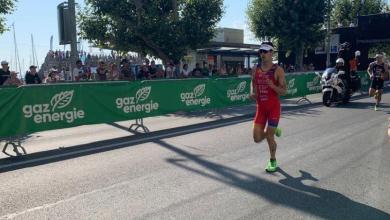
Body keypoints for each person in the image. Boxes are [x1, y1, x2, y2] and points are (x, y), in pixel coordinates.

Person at [250, 42, 287, 172]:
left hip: (273, 108)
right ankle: (274, 130)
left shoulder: (278, 70)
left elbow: (284, 91)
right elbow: (253, 82)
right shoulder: (255, 68)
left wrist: (273, 86)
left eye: (265, 51)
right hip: (260, 108)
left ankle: (272, 160)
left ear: (272, 53)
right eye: (261, 51)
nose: (262, 54)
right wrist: (252, 92)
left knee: (269, 137)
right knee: (257, 138)